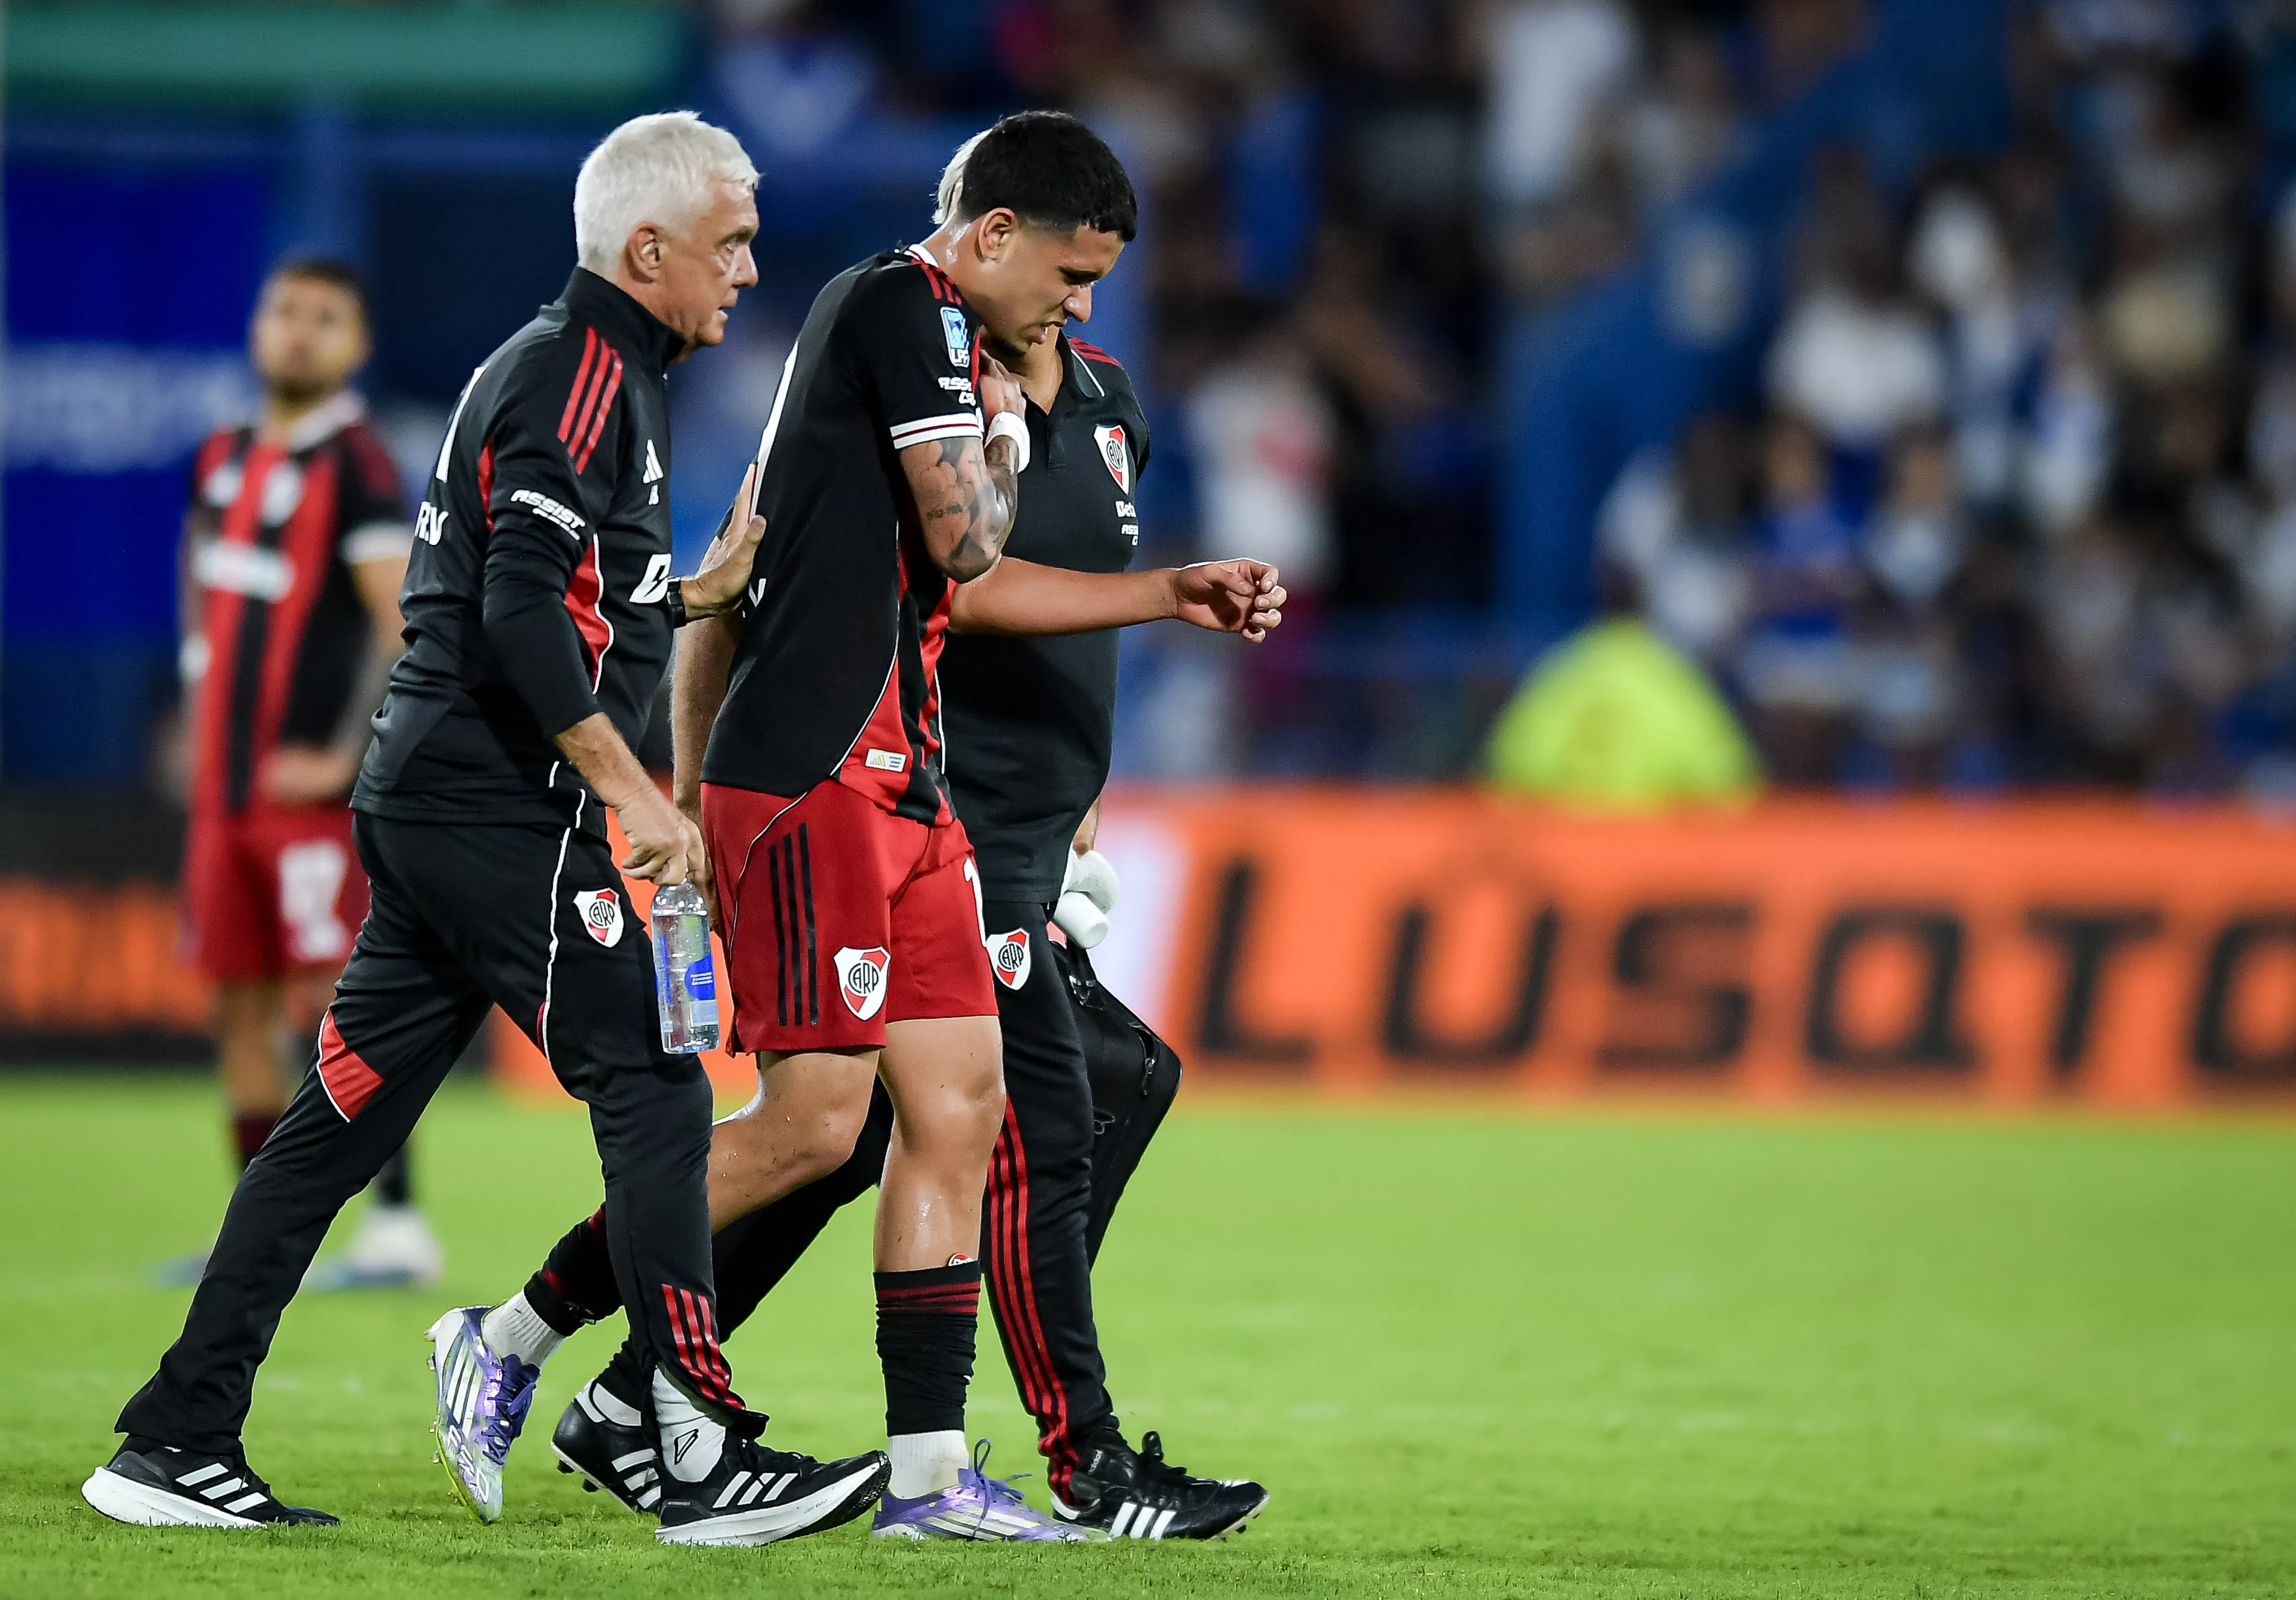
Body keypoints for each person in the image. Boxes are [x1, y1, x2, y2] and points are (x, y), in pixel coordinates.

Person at [441, 112, 1283, 1542]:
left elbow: (973, 587)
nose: (1080, 307)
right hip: (819, 769)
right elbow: (957, 555)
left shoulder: (1056, 382)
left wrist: (1128, 663)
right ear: (995, 236)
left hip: (919, 785)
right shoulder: (896, 307)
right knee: (821, 1130)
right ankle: (515, 1333)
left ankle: (926, 1477)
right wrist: (694, 797)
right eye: (1069, 276)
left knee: (958, 1113)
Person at [82, 111, 890, 1550]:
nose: (750, 272)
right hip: (502, 804)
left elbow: (545, 589)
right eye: (731, 245)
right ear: (647, 251)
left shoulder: (583, 371)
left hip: (438, 802)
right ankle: (687, 1444)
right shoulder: (585, 376)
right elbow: (515, 612)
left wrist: (690, 599)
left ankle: (174, 1432)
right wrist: (638, 792)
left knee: (330, 1128)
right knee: (654, 1091)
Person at [162, 258, 442, 1294]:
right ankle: (261, 1235)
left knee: (340, 1008)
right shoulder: (221, 458)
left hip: (312, 808)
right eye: (283, 310)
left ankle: (399, 1221)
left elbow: (398, 624)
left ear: (357, 346)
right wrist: (189, 715)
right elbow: (202, 604)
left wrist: (344, 753)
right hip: (224, 798)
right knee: (235, 1006)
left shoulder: (360, 466)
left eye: (325, 319)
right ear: (255, 324)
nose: (298, 333)